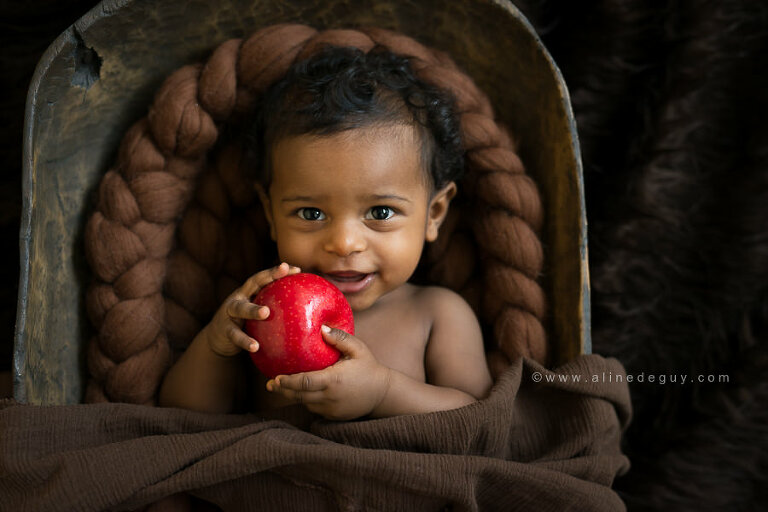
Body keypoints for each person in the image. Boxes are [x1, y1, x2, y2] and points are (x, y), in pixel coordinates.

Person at [158, 46, 492, 420]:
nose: (345, 243)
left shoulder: (436, 315)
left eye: (380, 212)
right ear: (270, 213)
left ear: (434, 213)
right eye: (311, 212)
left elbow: (481, 423)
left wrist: (383, 393)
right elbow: (180, 418)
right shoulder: (260, 313)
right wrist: (215, 348)